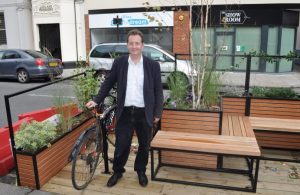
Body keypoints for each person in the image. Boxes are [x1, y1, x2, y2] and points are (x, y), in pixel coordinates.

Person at [86, 29, 164, 187]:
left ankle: (141, 171)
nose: (134, 46)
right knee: (122, 144)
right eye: (131, 43)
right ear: (127, 45)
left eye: (137, 43)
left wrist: (157, 112)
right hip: (125, 112)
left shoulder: (152, 65)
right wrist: (96, 100)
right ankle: (118, 171)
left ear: (142, 45)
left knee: (144, 145)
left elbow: (158, 91)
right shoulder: (120, 62)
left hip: (144, 112)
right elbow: (108, 82)